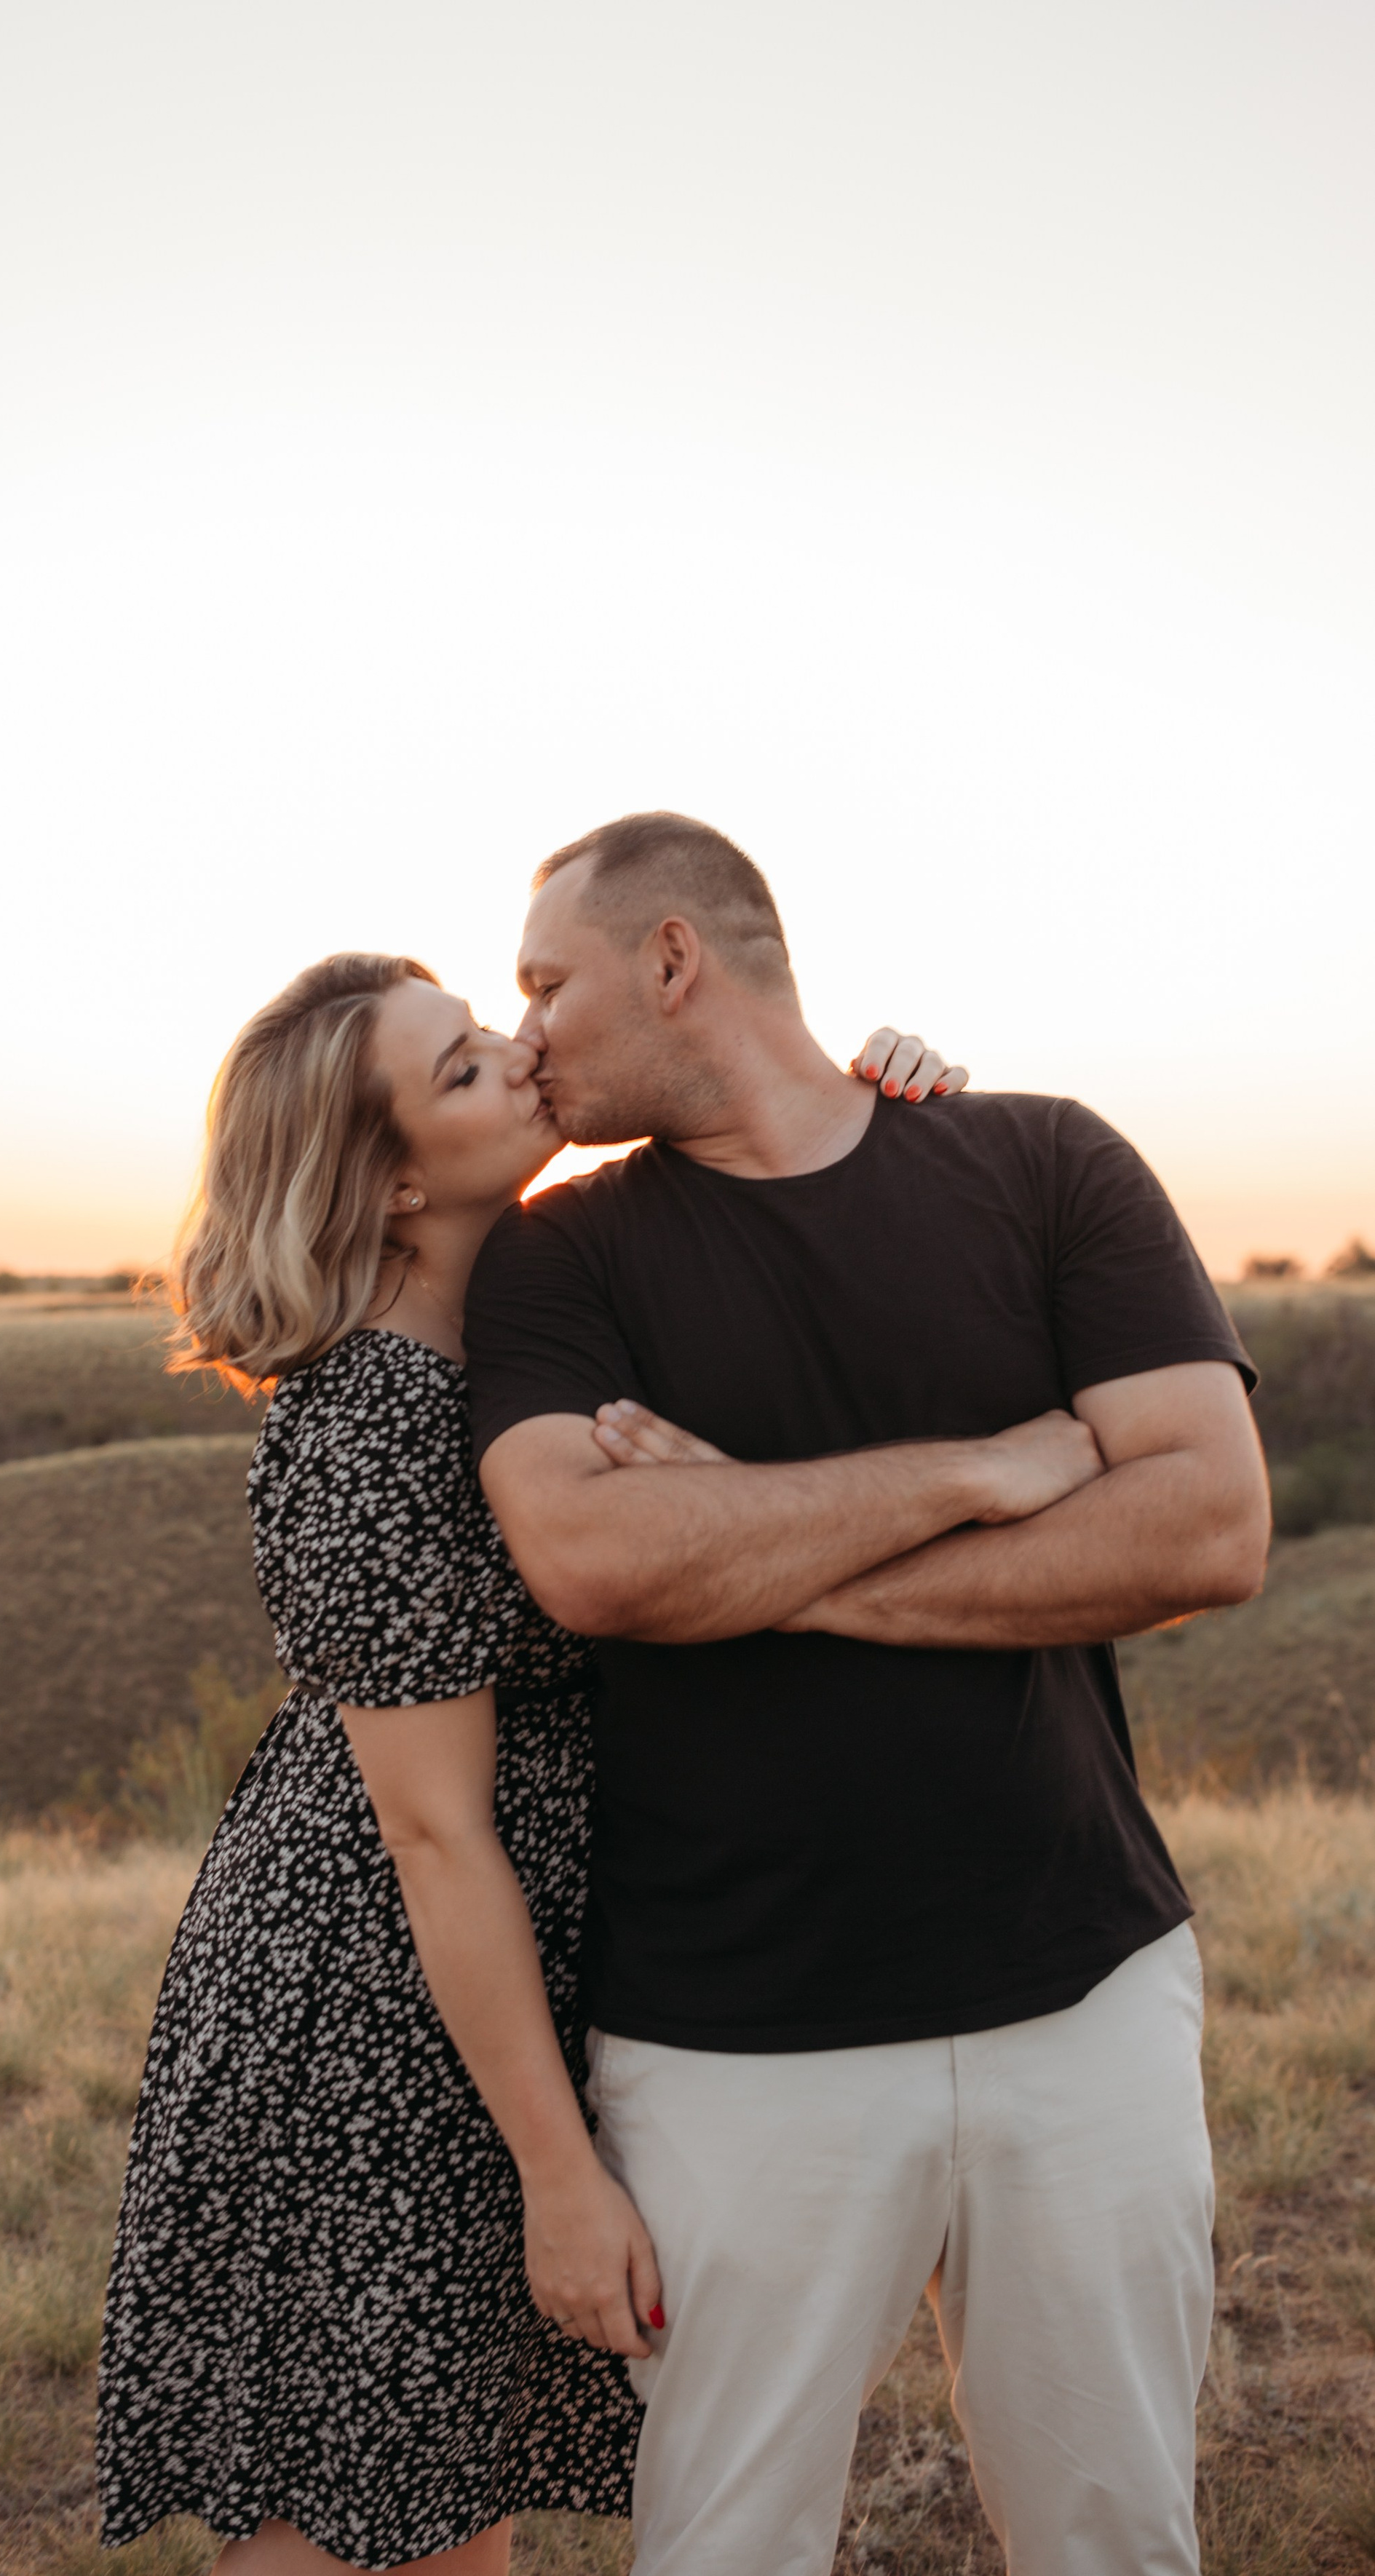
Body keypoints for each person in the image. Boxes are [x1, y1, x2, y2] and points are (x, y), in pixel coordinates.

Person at [95, 948, 1082, 2574]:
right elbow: (434, 1838)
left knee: (443, 2504)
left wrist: (875, 1106)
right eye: (462, 1066)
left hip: (515, 1979)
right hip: (385, 2012)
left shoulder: (535, 1313)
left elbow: (775, 1203)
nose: (518, 1050)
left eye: (486, 1025)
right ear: (395, 1182)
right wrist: (558, 2175)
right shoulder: (363, 1423)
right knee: (356, 2522)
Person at [468, 811, 1272, 2576]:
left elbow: (1206, 1526)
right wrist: (984, 1474)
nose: (521, 1036)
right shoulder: (555, 1255)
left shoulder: (1042, 1160)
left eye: (543, 985)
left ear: (669, 958)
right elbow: (595, 1563)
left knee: (1115, 2536)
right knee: (725, 2549)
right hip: (728, 2035)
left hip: (1082, 1992)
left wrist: (770, 1565)